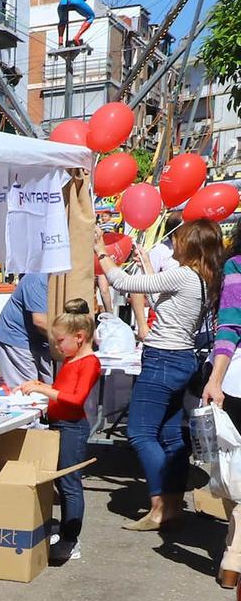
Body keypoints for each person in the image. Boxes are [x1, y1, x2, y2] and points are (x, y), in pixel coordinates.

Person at [103, 219, 223, 531]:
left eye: (178, 240)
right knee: (171, 437)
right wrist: (149, 272)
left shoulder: (183, 275)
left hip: (163, 360)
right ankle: (171, 506)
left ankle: (158, 506)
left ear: (189, 245)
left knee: (141, 433)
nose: (174, 245)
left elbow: (121, 283)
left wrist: (101, 253)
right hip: (181, 360)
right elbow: (164, 305)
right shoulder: (201, 278)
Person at [17, 303, 101, 566]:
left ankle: (70, 539)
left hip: (72, 427)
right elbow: (63, 391)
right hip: (61, 424)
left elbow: (76, 399)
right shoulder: (72, 359)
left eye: (61, 340)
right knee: (62, 484)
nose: (58, 346)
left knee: (69, 484)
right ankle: (65, 533)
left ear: (80, 337)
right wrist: (44, 392)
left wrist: (44, 390)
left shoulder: (89, 362)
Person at [211, 239, 241, 588]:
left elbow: (230, 325)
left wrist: (215, 379)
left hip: (237, 380)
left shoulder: (236, 267)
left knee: (236, 470)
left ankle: (234, 555)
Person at [0, 270, 54, 385]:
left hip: (42, 341)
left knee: (47, 388)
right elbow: (40, 321)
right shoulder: (37, 278)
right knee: (26, 391)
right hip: (17, 338)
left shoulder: (63, 280)